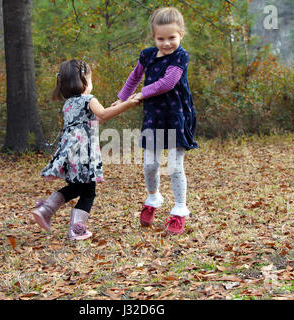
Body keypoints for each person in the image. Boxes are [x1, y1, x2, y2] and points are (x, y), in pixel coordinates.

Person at [32, 59, 139, 240]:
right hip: (84, 154)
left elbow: (96, 119)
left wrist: (118, 105)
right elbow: (103, 114)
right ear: (83, 81)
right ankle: (76, 229)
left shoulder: (68, 104)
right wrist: (128, 104)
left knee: (75, 187)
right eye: (90, 79)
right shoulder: (89, 99)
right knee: (89, 192)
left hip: (70, 153)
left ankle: (46, 209)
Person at [114, 7, 198, 235]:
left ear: (181, 34)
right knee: (150, 165)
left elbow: (168, 82)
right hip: (153, 117)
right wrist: (121, 98)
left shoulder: (180, 56)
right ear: (154, 36)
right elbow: (135, 77)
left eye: (172, 37)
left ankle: (179, 211)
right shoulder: (148, 55)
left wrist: (141, 94)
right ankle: (153, 199)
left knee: (174, 166)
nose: (167, 43)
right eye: (161, 38)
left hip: (175, 116)